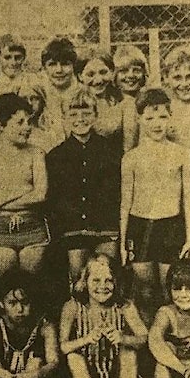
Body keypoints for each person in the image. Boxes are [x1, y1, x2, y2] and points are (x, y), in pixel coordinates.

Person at [120, 88, 190, 320]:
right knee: (144, 289)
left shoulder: (182, 153)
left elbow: (188, 197)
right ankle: (147, 343)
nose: (156, 123)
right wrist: (123, 243)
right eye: (149, 118)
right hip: (140, 226)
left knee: (168, 287)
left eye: (162, 116)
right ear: (140, 119)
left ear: (170, 117)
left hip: (170, 226)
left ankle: (169, 337)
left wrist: (189, 237)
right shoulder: (131, 157)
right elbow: (125, 202)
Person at [46, 86, 122, 281]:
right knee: (79, 279)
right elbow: (54, 199)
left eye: (86, 113)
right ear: (65, 118)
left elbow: (115, 193)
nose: (80, 119)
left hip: (105, 227)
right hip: (73, 229)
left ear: (96, 116)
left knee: (107, 275)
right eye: (73, 114)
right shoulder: (56, 156)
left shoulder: (110, 151)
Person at [60, 254, 148, 378]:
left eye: (109, 280)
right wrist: (86, 339)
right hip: (88, 376)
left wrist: (124, 338)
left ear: (116, 282)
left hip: (116, 376)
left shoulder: (125, 306)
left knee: (129, 352)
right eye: (96, 280)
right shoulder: (73, 307)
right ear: (84, 282)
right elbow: (63, 346)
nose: (103, 286)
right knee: (73, 357)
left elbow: (144, 338)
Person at [0, 93, 49, 278]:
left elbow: (40, 195)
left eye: (29, 122)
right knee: (4, 284)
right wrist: (23, 190)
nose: (27, 127)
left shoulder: (36, 153)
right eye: (20, 122)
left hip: (32, 226)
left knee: (31, 285)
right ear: (0, 125)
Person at [74, 50, 137, 152]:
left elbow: (129, 149)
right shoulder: (73, 103)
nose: (98, 80)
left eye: (103, 72)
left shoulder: (126, 103)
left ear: (112, 72)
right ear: (80, 76)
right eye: (90, 74)